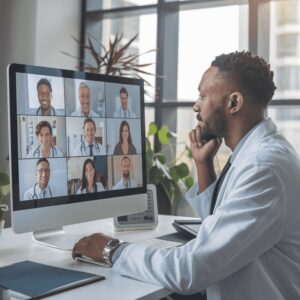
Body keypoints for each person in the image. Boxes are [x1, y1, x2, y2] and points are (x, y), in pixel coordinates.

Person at [72, 51, 300, 299]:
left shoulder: (262, 167)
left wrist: (112, 250)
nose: (195, 106)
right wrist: (203, 164)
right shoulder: (258, 152)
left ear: (234, 103)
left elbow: (189, 270)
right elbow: (220, 229)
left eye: (203, 96)